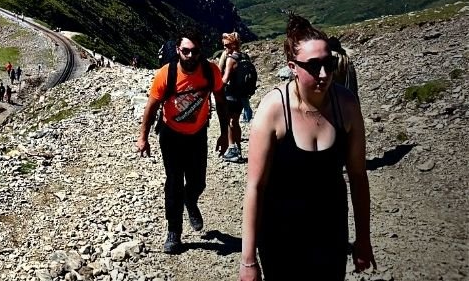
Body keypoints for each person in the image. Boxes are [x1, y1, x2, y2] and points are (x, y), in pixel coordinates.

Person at [238, 15, 374, 280]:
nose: (323, 74)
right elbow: (255, 186)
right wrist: (248, 260)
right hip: (280, 233)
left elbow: (358, 176)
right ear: (293, 67)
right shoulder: (273, 110)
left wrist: (363, 239)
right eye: (313, 66)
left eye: (328, 64)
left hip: (330, 231)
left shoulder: (346, 106)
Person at [136, 28, 229, 255]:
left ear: (200, 51)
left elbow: (221, 101)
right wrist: (143, 137)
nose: (190, 56)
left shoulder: (211, 71)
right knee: (174, 182)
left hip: (198, 134)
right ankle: (173, 232)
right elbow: (151, 107)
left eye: (194, 51)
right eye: (185, 51)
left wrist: (225, 134)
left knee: (198, 182)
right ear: (178, 50)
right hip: (171, 135)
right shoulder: (165, 74)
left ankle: (191, 199)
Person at [218, 32, 252, 161]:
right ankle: (238, 148)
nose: (225, 47)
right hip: (241, 95)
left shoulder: (231, 59)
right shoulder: (245, 56)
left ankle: (232, 150)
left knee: (230, 122)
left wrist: (215, 87)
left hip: (231, 94)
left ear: (233, 44)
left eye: (227, 45)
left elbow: (225, 79)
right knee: (236, 122)